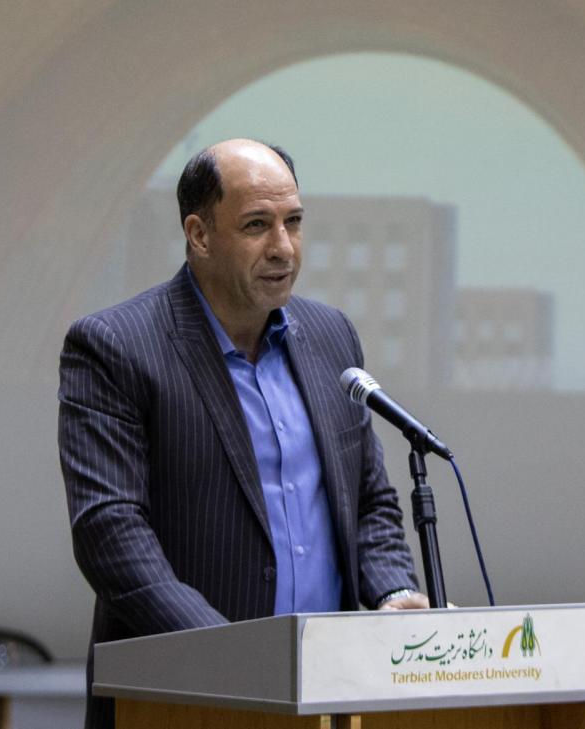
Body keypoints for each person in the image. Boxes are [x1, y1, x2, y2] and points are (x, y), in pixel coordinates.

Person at [58, 138, 427, 729]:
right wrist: (233, 659)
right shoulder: (116, 346)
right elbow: (110, 533)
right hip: (184, 700)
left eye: (293, 222)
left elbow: (369, 501)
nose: (283, 247)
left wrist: (391, 591)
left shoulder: (331, 336)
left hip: (328, 695)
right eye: (257, 225)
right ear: (199, 235)